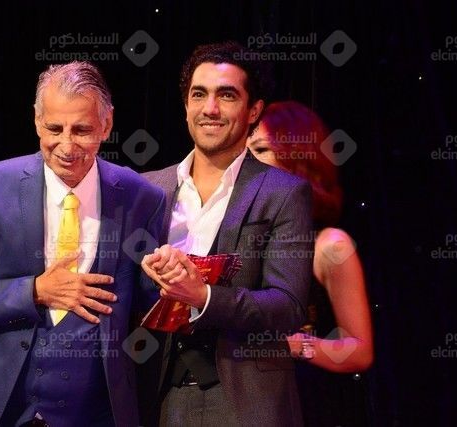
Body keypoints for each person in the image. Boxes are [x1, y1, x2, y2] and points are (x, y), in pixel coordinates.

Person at [0, 61, 165, 427]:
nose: (66, 146)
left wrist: (167, 279)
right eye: (54, 128)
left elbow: (148, 306)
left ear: (107, 124)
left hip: (96, 413)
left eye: (82, 130)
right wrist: (35, 291)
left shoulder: (142, 197)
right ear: (37, 121)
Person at [140, 42, 313, 427]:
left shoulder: (284, 193)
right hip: (158, 398)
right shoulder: (147, 189)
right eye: (199, 94)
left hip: (245, 402)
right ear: (186, 106)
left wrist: (202, 296)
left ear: (253, 110)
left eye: (227, 95)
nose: (210, 108)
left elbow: (288, 306)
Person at [248, 100, 373, 425]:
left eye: (260, 149)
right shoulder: (245, 239)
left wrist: (294, 345)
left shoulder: (330, 245)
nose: (247, 160)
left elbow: (360, 351)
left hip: (308, 403)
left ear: (298, 158)